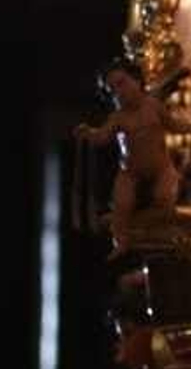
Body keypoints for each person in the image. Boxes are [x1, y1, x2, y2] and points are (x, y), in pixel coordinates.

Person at [76, 57, 182, 245]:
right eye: (112, 90)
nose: (119, 92)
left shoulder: (154, 107)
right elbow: (102, 136)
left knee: (164, 197)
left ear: (137, 80)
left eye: (121, 83)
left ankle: (165, 236)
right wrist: (88, 133)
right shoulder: (118, 118)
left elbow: (174, 125)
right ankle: (122, 240)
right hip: (130, 172)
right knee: (121, 206)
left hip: (161, 168)